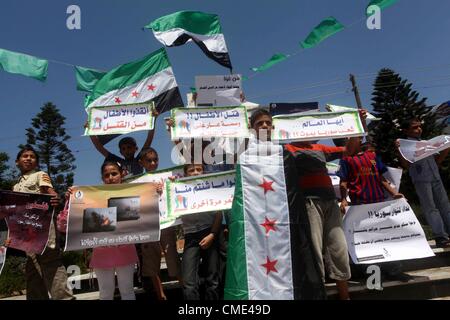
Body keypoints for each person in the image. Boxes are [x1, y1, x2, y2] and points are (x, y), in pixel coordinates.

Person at [247, 109, 327, 299]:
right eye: (260, 124)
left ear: (273, 127)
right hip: (259, 225)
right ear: (252, 129)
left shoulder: (285, 154)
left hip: (287, 221)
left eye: (267, 123)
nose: (264, 126)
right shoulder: (246, 158)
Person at [338, 137, 413, 282]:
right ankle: (373, 275)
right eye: (349, 138)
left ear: (360, 140)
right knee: (366, 241)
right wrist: (343, 199)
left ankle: (394, 270)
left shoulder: (372, 156)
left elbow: (381, 178)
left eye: (355, 137)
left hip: (379, 204)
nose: (352, 140)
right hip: (360, 206)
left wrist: (393, 193)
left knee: (385, 237)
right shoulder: (346, 160)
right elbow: (343, 182)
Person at [66, 161, 138, 300]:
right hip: (102, 251)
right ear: (102, 178)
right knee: (105, 292)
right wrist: (71, 199)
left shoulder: (133, 193)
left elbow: (149, 209)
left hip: (126, 249)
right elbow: (72, 221)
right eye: (106, 175)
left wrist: (155, 191)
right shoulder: (92, 197)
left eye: (114, 173)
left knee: (127, 290)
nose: (110, 177)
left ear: (122, 174)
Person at [11, 145, 73, 300]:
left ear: (37, 162)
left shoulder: (40, 175)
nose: (29, 158)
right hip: (26, 231)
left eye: (32, 156)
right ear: (17, 162)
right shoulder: (15, 186)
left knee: (50, 262)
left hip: (43, 227)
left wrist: (55, 198)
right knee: (32, 266)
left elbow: (51, 194)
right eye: (25, 156)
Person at [395, 117, 450, 248]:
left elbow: (439, 155)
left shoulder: (426, 142)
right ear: (406, 130)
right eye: (414, 127)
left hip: (435, 176)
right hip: (421, 179)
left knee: (445, 206)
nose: (419, 129)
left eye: (419, 126)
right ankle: (440, 236)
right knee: (430, 208)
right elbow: (406, 165)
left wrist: (445, 149)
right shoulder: (405, 146)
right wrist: (398, 150)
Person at [137, 148, 182, 300]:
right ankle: (160, 295)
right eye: (149, 160)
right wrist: (149, 190)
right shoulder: (136, 181)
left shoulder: (167, 176)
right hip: (148, 227)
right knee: (151, 263)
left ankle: (185, 289)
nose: (153, 163)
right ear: (141, 162)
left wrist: (176, 182)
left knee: (173, 258)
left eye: (155, 159)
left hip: (166, 224)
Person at [176, 163, 222, 300]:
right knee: (189, 282)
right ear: (185, 174)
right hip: (190, 237)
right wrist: (166, 188)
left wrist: (212, 235)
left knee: (212, 279)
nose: (196, 172)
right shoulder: (178, 188)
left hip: (210, 233)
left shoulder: (212, 186)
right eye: (191, 170)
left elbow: (219, 214)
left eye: (199, 169)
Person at [89, 114, 157, 177]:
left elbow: (149, 140)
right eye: (123, 149)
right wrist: (90, 131)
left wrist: (153, 120)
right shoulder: (118, 161)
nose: (127, 150)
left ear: (135, 149)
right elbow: (99, 147)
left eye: (129, 147)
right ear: (120, 152)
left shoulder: (139, 160)